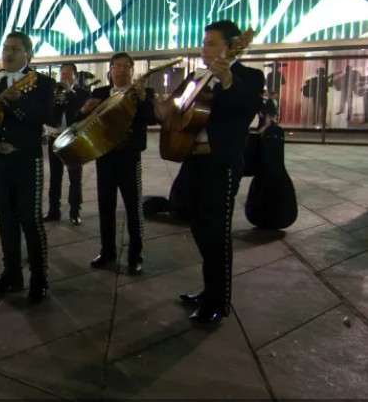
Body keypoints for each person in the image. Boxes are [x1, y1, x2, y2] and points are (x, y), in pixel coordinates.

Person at [165, 20, 264, 323]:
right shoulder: (198, 78)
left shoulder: (249, 76)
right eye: (203, 42)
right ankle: (209, 290)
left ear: (230, 46)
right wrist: (166, 110)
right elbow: (178, 111)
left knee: (216, 233)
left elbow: (247, 107)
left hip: (220, 163)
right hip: (193, 160)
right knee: (196, 226)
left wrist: (227, 79)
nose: (203, 48)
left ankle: (218, 302)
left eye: (210, 43)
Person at [0, 32, 55, 303]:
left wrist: (18, 100)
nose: (8, 53)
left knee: (30, 220)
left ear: (28, 54)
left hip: (27, 160)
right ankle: (11, 275)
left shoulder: (43, 83)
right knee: (5, 221)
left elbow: (48, 117)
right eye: (5, 48)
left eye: (14, 49)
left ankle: (40, 278)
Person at [81, 53, 158, 275]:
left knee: (134, 209)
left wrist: (143, 97)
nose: (122, 70)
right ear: (110, 70)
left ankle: (135, 256)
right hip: (104, 158)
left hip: (129, 158)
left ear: (133, 71)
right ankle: (107, 252)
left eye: (127, 66)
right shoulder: (100, 93)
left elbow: (152, 119)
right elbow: (82, 119)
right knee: (105, 208)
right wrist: (84, 110)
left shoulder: (142, 93)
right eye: (117, 66)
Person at [44, 63, 90, 225]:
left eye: (68, 75)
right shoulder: (54, 92)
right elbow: (48, 114)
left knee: (75, 178)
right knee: (55, 177)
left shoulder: (83, 93)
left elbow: (80, 110)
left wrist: (69, 92)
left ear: (75, 76)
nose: (64, 77)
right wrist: (56, 99)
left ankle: (74, 211)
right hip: (54, 137)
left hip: (73, 140)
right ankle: (53, 211)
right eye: (62, 74)